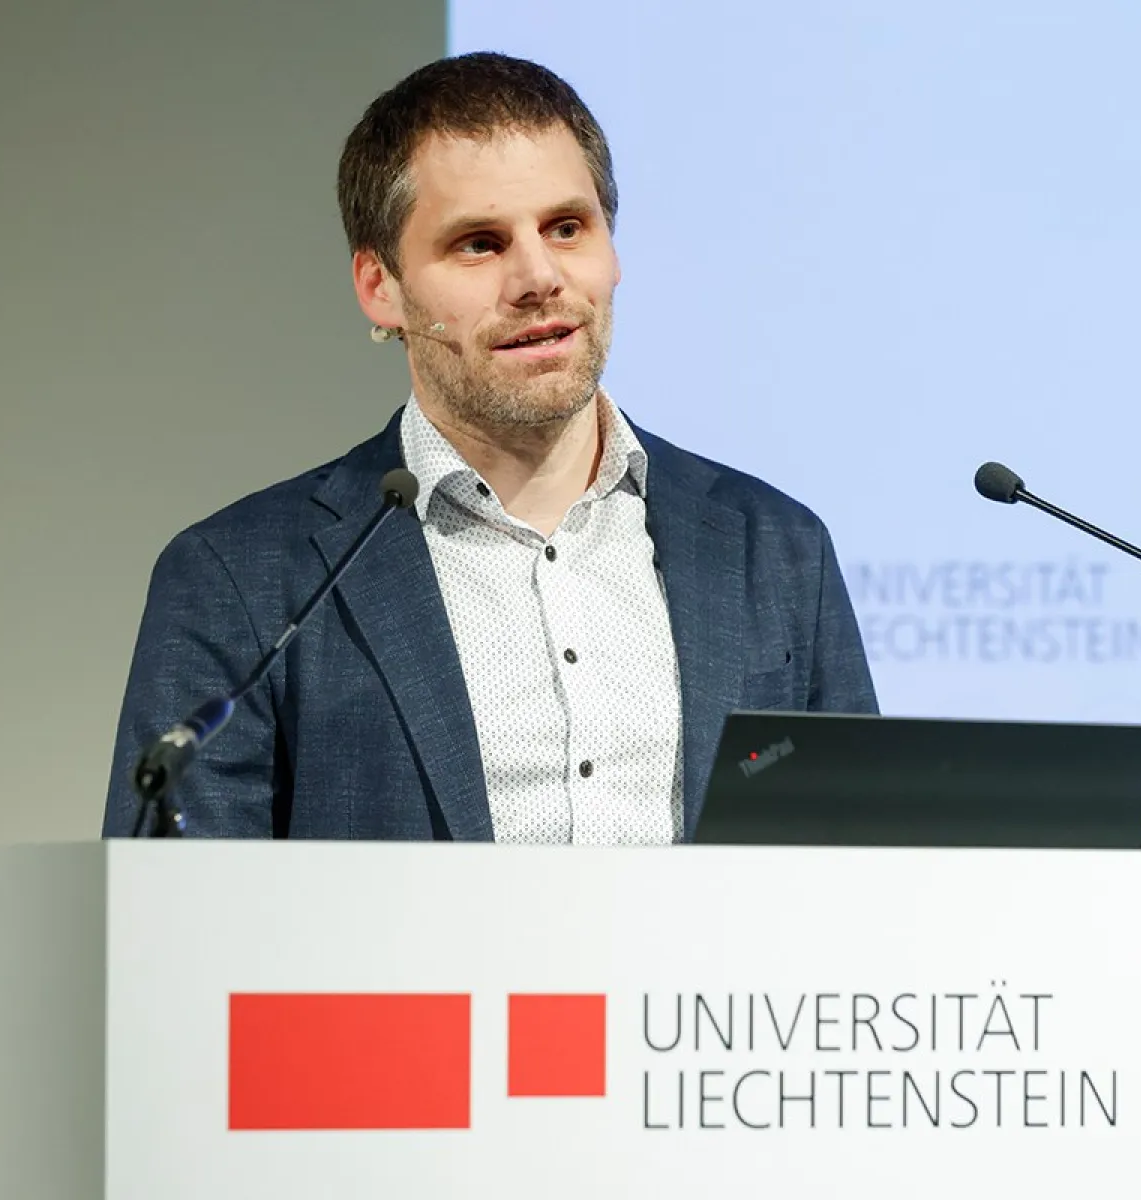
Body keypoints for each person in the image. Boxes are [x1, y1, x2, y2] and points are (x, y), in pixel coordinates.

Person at [101, 52, 877, 843]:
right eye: (479, 243)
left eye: (567, 228)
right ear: (381, 286)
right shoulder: (245, 579)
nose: (539, 276)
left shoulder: (775, 548)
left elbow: (860, 876)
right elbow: (174, 920)